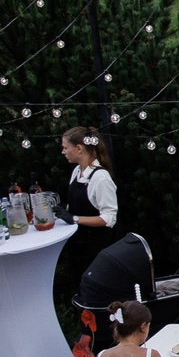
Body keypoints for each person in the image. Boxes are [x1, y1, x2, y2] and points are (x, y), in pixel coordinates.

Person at [57, 125, 118, 302]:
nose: (63, 152)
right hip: (77, 248)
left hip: (95, 250)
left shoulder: (100, 178)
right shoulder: (77, 172)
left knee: (96, 296)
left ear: (79, 149)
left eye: (65, 148)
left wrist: (75, 219)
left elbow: (109, 218)